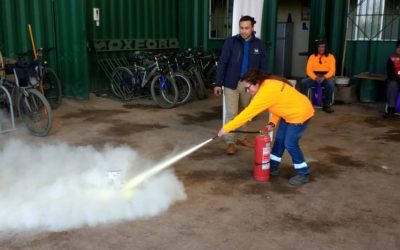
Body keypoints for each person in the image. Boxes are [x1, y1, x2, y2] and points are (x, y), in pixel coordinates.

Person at [218, 70, 315, 186]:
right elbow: (278, 105)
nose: (247, 91)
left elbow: (246, 114)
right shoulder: (267, 84)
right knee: (279, 141)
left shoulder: (264, 93)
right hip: (289, 113)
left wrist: (226, 128)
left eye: (248, 88)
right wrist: (272, 123)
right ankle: (272, 167)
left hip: (300, 113)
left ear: (256, 83)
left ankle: (303, 173)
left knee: (290, 143)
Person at [214, 15, 267, 155]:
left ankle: (241, 137)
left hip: (248, 85)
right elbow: (223, 62)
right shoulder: (231, 42)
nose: (244, 31)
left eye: (247, 28)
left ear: (253, 28)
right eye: (241, 28)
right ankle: (230, 142)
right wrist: (218, 83)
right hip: (231, 83)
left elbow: (263, 66)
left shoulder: (259, 44)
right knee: (231, 113)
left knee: (245, 112)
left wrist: (261, 83)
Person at [301, 40, 336, 113]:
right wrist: (315, 77)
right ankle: (304, 104)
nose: (321, 48)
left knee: (330, 85)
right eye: (319, 47)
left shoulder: (331, 57)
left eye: (323, 47)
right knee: (304, 82)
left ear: (326, 48)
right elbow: (308, 70)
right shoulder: (312, 57)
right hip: (314, 76)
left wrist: (324, 77)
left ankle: (327, 105)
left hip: (326, 77)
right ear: (317, 48)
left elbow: (332, 70)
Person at [384, 40, 400, 119]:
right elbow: (390, 74)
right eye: (398, 47)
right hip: (396, 80)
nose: (399, 49)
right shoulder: (392, 59)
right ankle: (391, 109)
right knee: (392, 85)